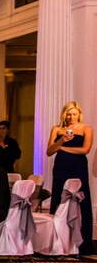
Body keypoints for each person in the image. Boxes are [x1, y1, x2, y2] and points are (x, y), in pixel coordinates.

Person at [47, 101, 93, 253]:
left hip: (78, 167)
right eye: (68, 114)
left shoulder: (86, 128)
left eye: (74, 114)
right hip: (61, 167)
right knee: (59, 199)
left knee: (82, 200)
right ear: (64, 115)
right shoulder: (57, 129)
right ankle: (56, 242)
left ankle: (83, 243)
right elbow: (49, 151)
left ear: (79, 114)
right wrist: (60, 141)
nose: (71, 117)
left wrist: (63, 148)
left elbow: (85, 150)